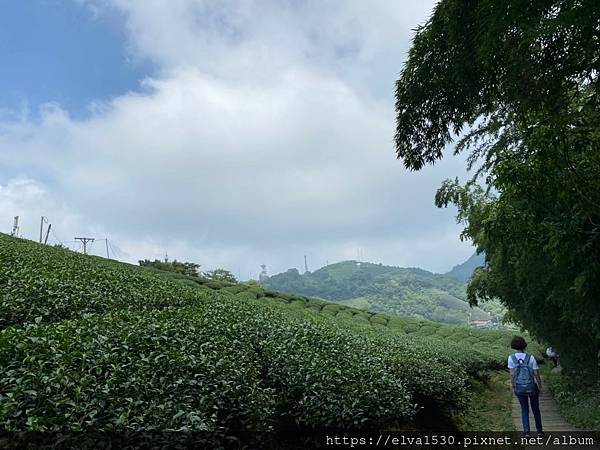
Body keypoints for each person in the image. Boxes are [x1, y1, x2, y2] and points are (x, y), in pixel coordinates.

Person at [509, 336, 543, 435]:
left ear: (513, 346)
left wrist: (513, 386)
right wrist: (540, 386)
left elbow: (512, 374)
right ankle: (540, 431)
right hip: (531, 387)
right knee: (535, 409)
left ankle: (527, 432)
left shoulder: (511, 358)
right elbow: (536, 374)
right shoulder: (530, 357)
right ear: (524, 345)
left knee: (524, 409)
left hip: (519, 388)